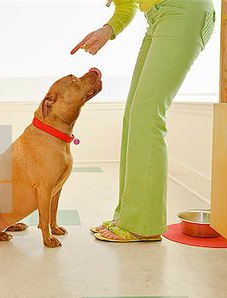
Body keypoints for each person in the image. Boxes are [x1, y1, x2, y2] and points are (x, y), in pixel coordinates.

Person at [71, 0, 215, 242]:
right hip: (157, 18)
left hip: (183, 9)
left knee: (147, 114)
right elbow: (126, 4)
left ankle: (142, 224)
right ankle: (129, 216)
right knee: (134, 116)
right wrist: (109, 29)